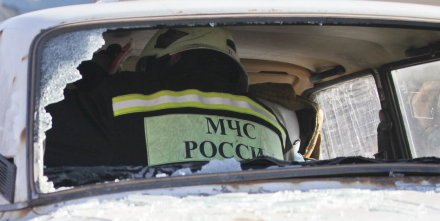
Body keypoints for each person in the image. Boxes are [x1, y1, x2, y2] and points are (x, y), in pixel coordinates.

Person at [45, 26, 296, 169]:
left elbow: (42, 136)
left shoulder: (120, 98)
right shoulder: (273, 120)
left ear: (172, 58)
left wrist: (90, 73)